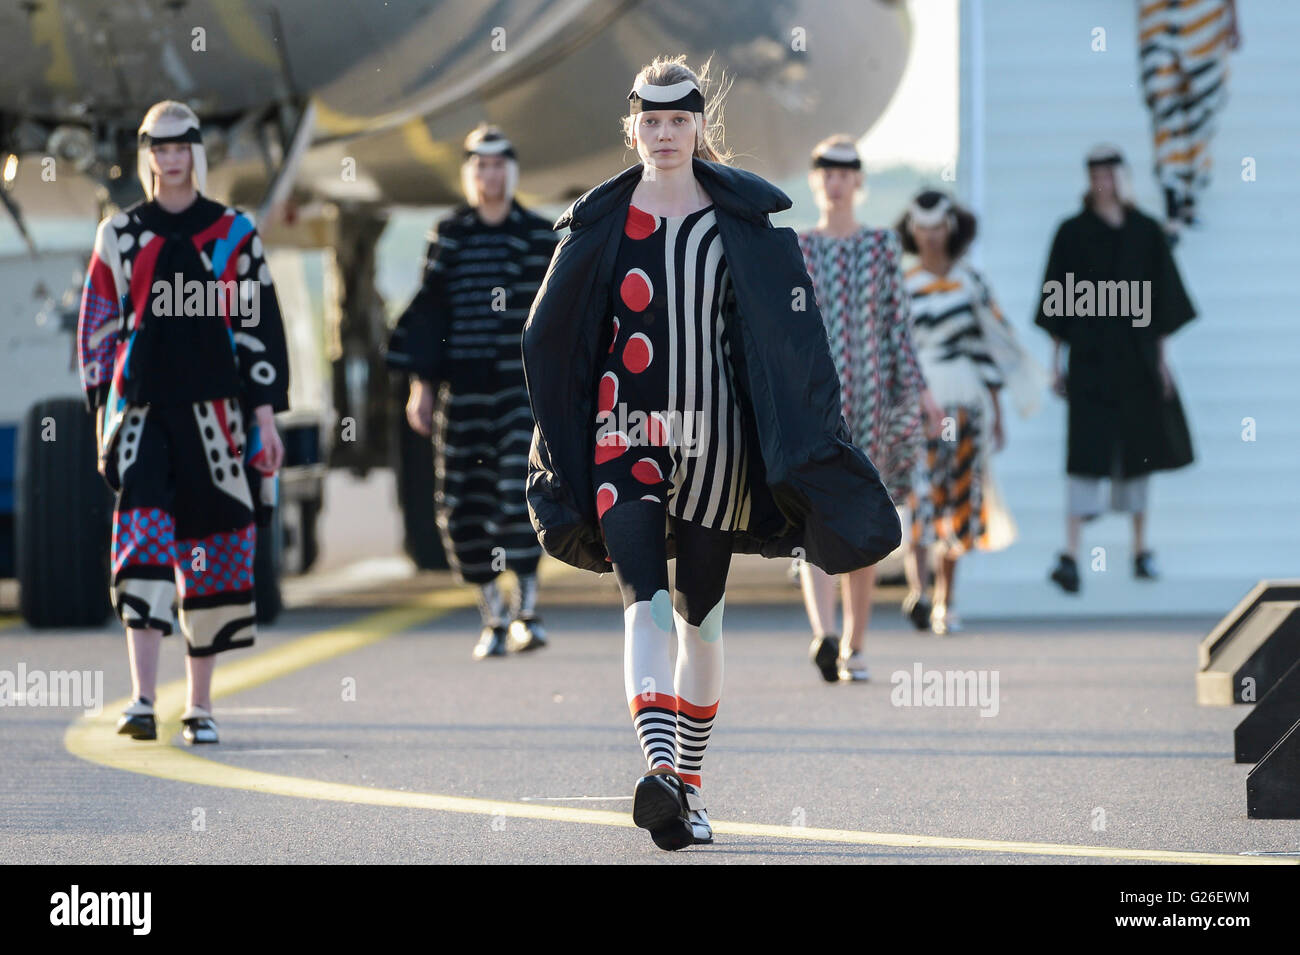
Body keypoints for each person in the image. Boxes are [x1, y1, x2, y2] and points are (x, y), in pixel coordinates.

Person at [521, 56, 900, 851]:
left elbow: (793, 342)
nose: (664, 135)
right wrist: (562, 446)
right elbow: (547, 335)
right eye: (650, 122)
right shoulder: (600, 224)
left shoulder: (745, 226)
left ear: (699, 126)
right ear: (632, 128)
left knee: (703, 623)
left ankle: (687, 791)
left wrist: (812, 444)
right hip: (624, 437)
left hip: (716, 444)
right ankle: (660, 770)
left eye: (678, 120)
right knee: (644, 603)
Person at [76, 101, 289, 744]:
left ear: (195, 151)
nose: (169, 157)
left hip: (217, 421)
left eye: (179, 145)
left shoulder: (233, 233)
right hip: (141, 415)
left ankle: (200, 706)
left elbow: (258, 332)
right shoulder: (120, 235)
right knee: (140, 550)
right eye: (157, 147)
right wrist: (103, 418)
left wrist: (265, 421)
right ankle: (142, 699)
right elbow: (98, 328)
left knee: (216, 551)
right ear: (146, 155)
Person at [385, 125, 559, 660]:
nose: (490, 174)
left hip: (519, 391)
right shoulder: (449, 236)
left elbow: (558, 318)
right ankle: (494, 616)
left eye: (499, 163)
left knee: (517, 493)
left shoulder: (539, 235)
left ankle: (528, 608)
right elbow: (430, 314)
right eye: (479, 165)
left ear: (512, 171)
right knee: (462, 504)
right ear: (469, 173)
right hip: (462, 392)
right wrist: (422, 386)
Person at [796, 135, 941, 682]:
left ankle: (854, 645)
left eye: (845, 170)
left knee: (863, 523)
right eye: (825, 170)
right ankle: (824, 634)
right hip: (817, 408)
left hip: (874, 405)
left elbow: (898, 328)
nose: (835, 180)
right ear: (816, 180)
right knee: (813, 521)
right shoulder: (799, 248)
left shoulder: (882, 246)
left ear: (858, 180)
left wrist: (923, 394)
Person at [1035, 145, 1196, 594]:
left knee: (1140, 451)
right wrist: (1055, 364)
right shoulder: (1071, 233)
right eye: (1095, 173)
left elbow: (1163, 303)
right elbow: (1055, 301)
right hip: (1089, 360)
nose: (1102, 180)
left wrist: (1163, 363)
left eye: (1109, 172)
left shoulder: (1146, 232)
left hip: (1137, 358)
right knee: (1084, 454)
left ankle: (1141, 550)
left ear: (1122, 176)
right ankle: (1069, 555)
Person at [897, 190, 1043, 635]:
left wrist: (999, 411)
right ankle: (919, 592)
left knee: (960, 498)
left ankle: (947, 599)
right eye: (922, 228)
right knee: (918, 497)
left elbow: (990, 347)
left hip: (966, 400)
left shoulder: (971, 282)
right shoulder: (901, 284)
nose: (930, 237)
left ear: (951, 229)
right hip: (919, 399)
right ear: (912, 231)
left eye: (938, 227)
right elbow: (896, 350)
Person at [1137, 0, 1240, 241]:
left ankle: (1191, 194)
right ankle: (1173, 196)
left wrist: (1233, 21)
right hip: (1160, 15)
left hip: (1202, 16)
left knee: (1200, 107)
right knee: (1164, 105)